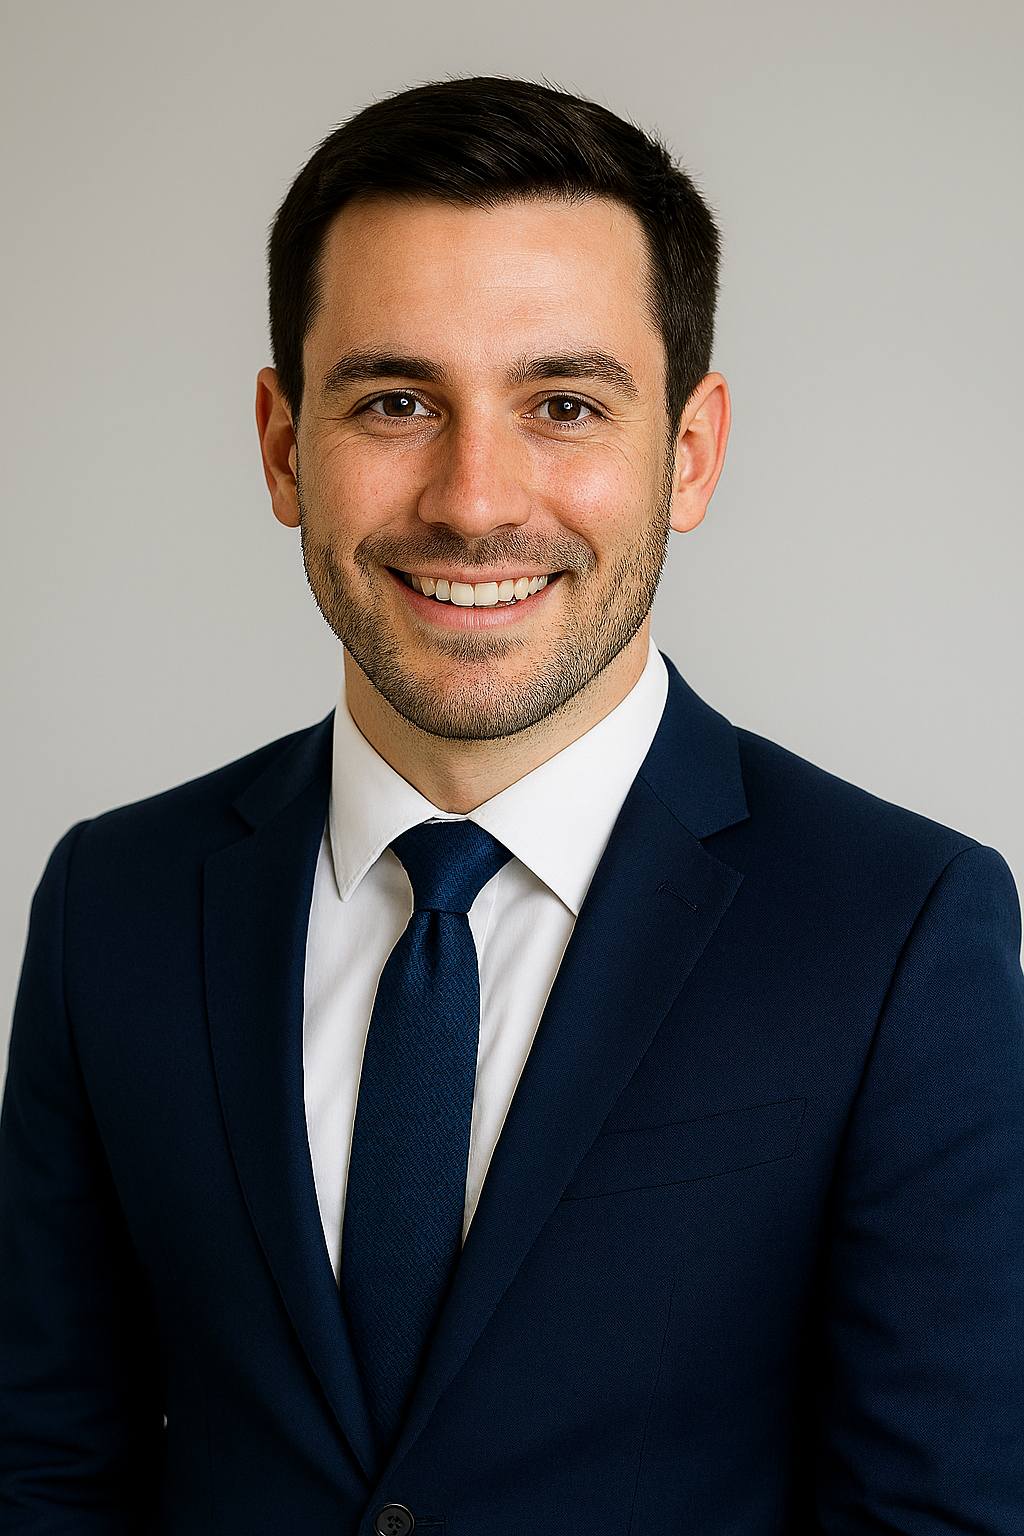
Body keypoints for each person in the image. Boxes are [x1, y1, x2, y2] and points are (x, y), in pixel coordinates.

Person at [1, 76, 1022, 1536]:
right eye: (398, 400)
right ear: (284, 444)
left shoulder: (901, 931)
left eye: (562, 403)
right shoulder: (115, 901)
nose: (475, 501)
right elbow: (45, 1467)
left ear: (689, 450)